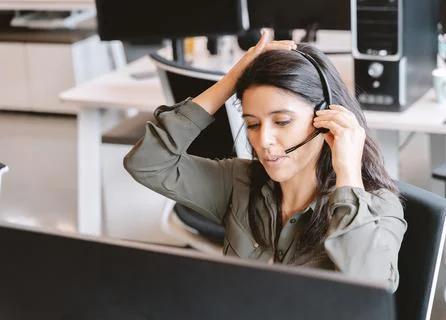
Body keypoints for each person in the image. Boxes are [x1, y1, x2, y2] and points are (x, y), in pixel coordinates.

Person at [124, 31, 407, 292]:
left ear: (328, 118)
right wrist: (231, 79)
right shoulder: (239, 183)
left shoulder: (379, 206)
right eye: (253, 124)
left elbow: (371, 288)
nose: (264, 141)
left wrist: (347, 173)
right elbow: (148, 162)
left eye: (282, 121)